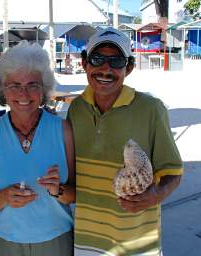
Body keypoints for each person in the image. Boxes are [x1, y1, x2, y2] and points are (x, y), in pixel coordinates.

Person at [67, 27, 183, 256]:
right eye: (98, 59)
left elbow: (173, 172)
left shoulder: (152, 109)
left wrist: (156, 195)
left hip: (138, 244)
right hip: (87, 242)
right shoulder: (76, 109)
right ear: (84, 63)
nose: (105, 69)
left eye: (116, 61)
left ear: (129, 67)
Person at [0, 41, 75, 256]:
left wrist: (58, 190)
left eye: (33, 85)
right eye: (15, 86)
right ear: (4, 90)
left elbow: (75, 194)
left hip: (56, 241)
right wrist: (2, 198)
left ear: (44, 89)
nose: (24, 94)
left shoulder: (63, 130)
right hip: (3, 243)